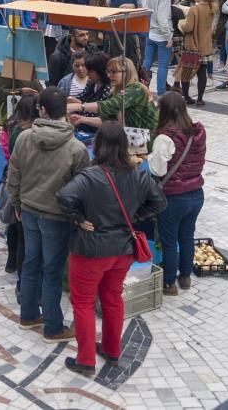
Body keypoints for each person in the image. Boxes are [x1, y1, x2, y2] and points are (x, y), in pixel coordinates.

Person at [56, 121, 166, 376]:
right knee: (113, 298)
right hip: (123, 249)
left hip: (91, 250)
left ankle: (85, 360)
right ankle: (112, 350)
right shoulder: (139, 174)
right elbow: (159, 202)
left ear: (99, 145)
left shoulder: (90, 176)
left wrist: (78, 218)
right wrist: (136, 216)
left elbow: (64, 197)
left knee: (83, 303)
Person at [6, 88, 90, 343]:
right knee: (52, 270)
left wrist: (16, 203)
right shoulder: (77, 148)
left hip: (29, 210)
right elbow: (81, 190)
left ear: (41, 110)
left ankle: (28, 314)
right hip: (57, 216)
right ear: (65, 110)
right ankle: (53, 327)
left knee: (31, 263)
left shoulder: (23, 137)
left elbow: (14, 176)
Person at [147, 93, 205, 296]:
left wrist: (149, 156)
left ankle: (169, 282)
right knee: (187, 236)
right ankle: (185, 277)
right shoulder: (197, 131)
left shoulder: (165, 137)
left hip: (174, 196)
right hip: (196, 193)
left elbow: (158, 170)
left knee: (170, 240)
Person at [0, 94, 38, 279]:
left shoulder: (13, 127)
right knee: (23, 235)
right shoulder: (25, 133)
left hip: (13, 181)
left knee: (14, 226)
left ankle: (11, 262)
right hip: (23, 185)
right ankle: (23, 275)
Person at [66, 57, 158, 132]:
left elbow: (109, 106)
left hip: (146, 141)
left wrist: (79, 106)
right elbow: (107, 120)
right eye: (108, 72)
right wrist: (82, 119)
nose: (109, 75)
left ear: (127, 72)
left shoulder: (136, 89)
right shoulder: (116, 92)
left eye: (114, 72)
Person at [177, 0, 217, 106]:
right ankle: (200, 98)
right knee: (202, 73)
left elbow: (188, 27)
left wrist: (181, 23)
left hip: (192, 47)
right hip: (205, 46)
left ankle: (187, 97)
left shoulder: (194, 9)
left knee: (186, 73)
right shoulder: (211, 8)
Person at [139, 0, 177, 98]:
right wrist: (168, 36)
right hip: (161, 33)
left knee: (147, 62)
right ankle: (161, 92)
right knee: (162, 65)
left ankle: (141, 87)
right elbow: (163, 17)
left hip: (151, 31)